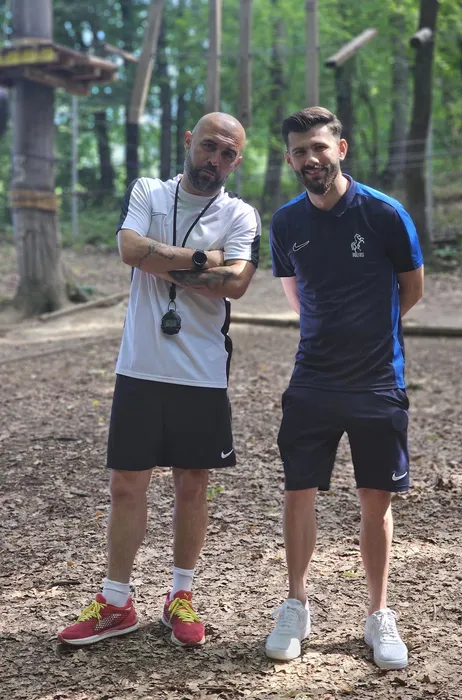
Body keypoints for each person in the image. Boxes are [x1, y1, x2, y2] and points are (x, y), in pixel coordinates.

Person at [58, 112, 260, 648]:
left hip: (202, 370)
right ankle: (116, 601)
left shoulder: (239, 213)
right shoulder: (149, 191)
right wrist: (203, 260)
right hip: (140, 366)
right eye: (209, 146)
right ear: (189, 141)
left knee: (192, 484)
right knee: (126, 485)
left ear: (236, 162)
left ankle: (181, 595)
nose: (215, 160)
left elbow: (235, 283)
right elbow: (129, 250)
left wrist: (161, 257)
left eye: (227, 154)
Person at [265, 107, 423, 670]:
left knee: (376, 498)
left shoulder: (385, 214)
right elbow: (297, 298)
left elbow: (412, 289)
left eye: (319, 147)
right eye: (299, 151)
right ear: (290, 160)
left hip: (378, 379)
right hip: (312, 378)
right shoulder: (285, 224)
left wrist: (369, 333)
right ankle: (296, 605)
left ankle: (378, 614)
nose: (311, 158)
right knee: (298, 491)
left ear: (341, 148)